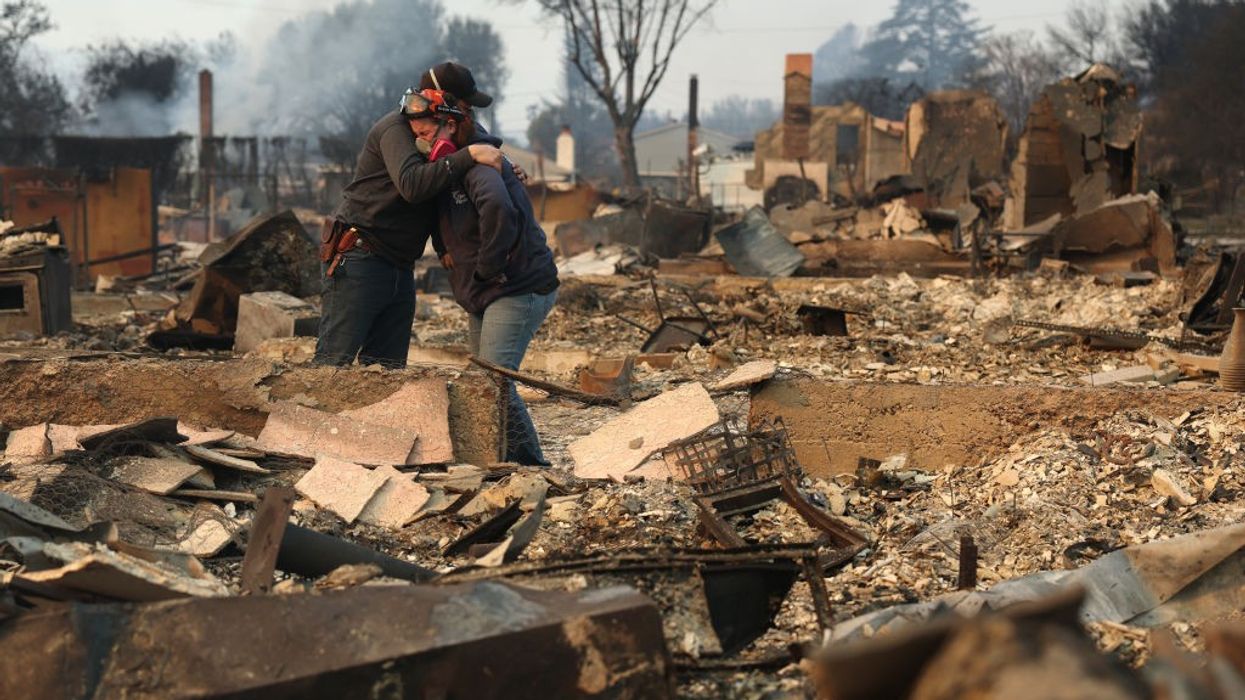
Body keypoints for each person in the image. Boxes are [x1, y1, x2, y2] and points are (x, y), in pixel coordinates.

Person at [314, 63, 508, 368]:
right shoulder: (397, 128)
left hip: (400, 264)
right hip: (361, 257)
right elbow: (414, 185)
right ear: (440, 99)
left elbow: (479, 145)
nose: (468, 110)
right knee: (332, 365)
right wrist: (468, 156)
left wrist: (504, 164)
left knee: (386, 370)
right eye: (464, 103)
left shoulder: (448, 128)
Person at [409, 89, 560, 466]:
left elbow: (497, 208)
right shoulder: (454, 168)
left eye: (429, 133)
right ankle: (502, 461)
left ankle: (530, 464)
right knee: (484, 381)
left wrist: (487, 268)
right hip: (485, 291)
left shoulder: (480, 166)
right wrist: (444, 245)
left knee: (493, 383)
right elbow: (443, 213)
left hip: (516, 286)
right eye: (419, 134)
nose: (423, 141)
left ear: (453, 124)